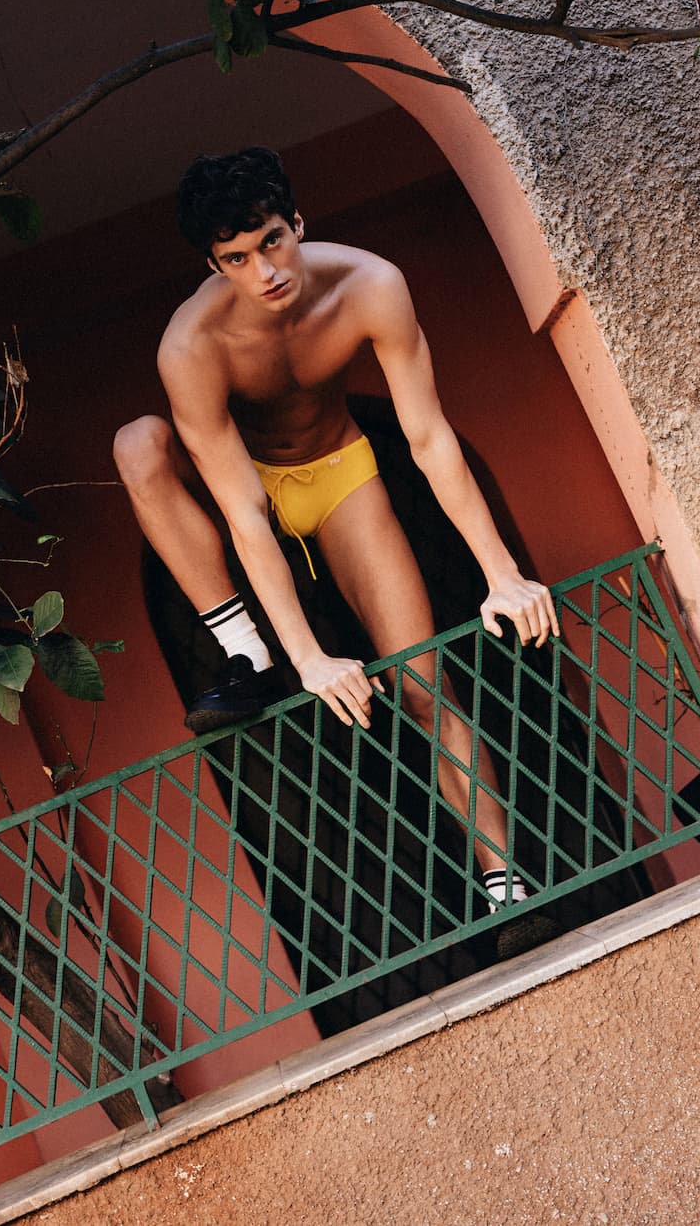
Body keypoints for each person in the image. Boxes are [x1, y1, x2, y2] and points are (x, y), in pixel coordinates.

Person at [113, 146, 559, 911]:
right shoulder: (192, 345)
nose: (265, 271)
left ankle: (504, 883)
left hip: (340, 474)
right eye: (237, 259)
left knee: (424, 684)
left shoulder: (370, 285)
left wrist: (500, 572)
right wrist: (307, 657)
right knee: (138, 445)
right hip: (246, 486)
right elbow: (245, 513)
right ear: (213, 265)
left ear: (297, 222)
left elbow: (429, 438)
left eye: (271, 241)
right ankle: (245, 651)